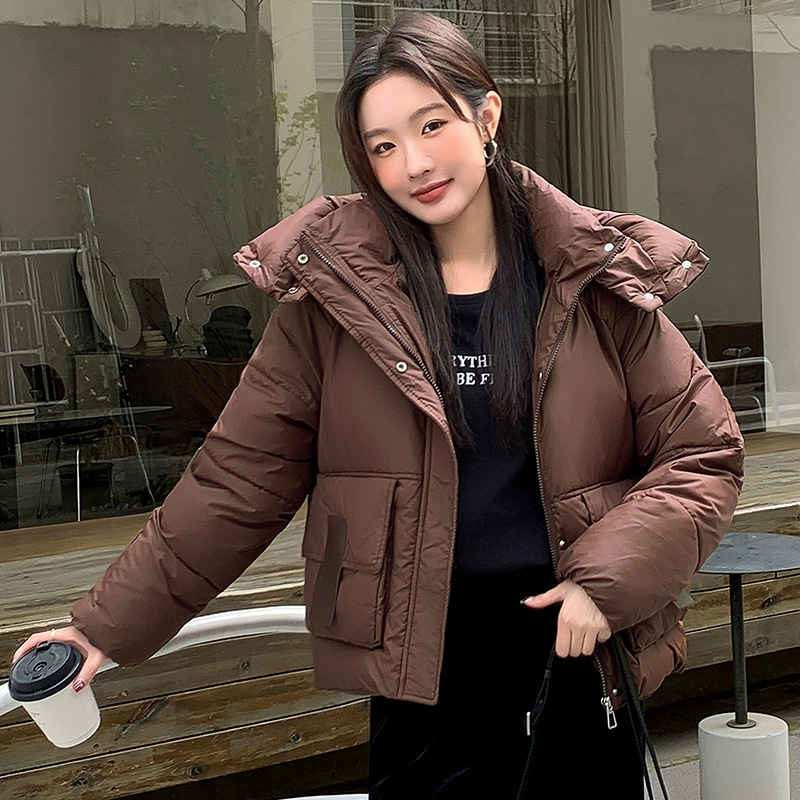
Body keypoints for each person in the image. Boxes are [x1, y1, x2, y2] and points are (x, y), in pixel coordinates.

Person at [14, 12, 744, 799]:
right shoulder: (334, 302)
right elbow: (235, 482)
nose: (414, 163)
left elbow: (703, 453)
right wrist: (101, 627)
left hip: (574, 649)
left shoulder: (589, 278)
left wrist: (608, 582)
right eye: (383, 146)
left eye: (432, 125)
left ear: (486, 117)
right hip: (416, 664)